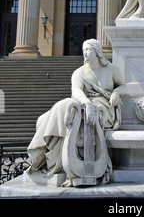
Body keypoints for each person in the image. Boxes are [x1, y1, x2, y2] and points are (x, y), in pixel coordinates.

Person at [26, 39, 126, 185]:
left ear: (97, 51)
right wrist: (87, 103)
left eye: (88, 49)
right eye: (83, 50)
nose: (84, 53)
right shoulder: (79, 72)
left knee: (67, 107)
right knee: (44, 118)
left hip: (104, 108)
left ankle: (48, 159)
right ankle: (50, 162)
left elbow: (123, 86)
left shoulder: (111, 70)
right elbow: (76, 91)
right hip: (85, 104)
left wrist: (116, 92)